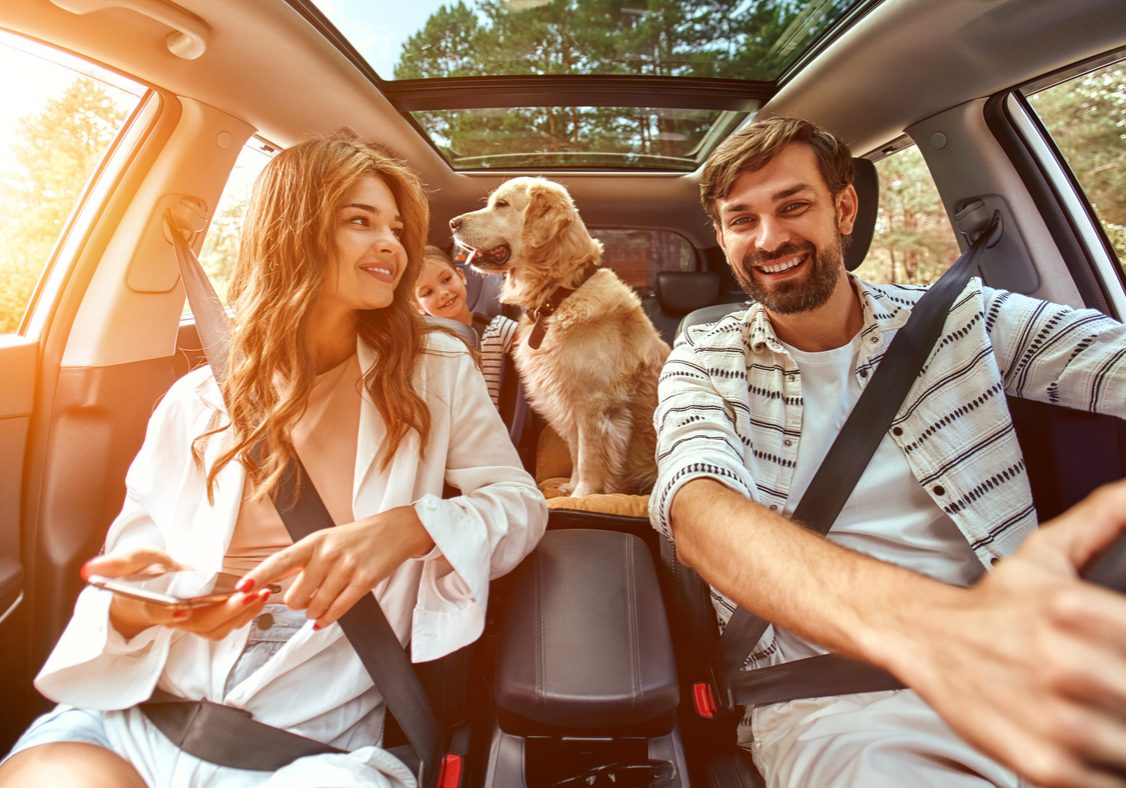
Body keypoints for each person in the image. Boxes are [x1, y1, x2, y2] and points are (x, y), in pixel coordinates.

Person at [0, 137, 547, 786]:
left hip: (308, 748)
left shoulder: (435, 371)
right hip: (136, 714)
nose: (392, 246)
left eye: (396, 228)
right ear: (291, 231)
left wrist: (409, 527)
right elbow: (132, 576)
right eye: (359, 221)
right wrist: (150, 606)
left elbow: (520, 503)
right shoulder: (195, 400)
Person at [650, 116, 1126, 787]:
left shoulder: (961, 318)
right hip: (831, 702)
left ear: (844, 209)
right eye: (742, 220)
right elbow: (698, 507)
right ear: (723, 239)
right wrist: (950, 631)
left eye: (793, 206)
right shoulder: (705, 357)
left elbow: (1108, 356)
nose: (770, 239)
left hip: (1027, 661)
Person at [414, 245, 518, 408]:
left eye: (447, 279)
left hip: (487, 427)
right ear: (417, 307)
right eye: (428, 292)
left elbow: (540, 345)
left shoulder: (495, 329)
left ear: (461, 276)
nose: (443, 293)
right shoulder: (428, 347)